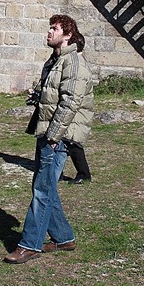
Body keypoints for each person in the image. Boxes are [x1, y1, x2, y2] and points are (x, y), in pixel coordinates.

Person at [4, 14, 94, 264]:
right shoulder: (55, 61)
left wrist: (54, 136)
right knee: (45, 186)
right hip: (48, 132)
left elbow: (71, 101)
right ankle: (64, 237)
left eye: (54, 29)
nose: (49, 32)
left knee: (42, 189)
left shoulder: (73, 62)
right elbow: (54, 95)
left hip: (59, 136)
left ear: (68, 35)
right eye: (50, 28)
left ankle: (29, 244)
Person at [63, 32, 92, 185]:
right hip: (77, 110)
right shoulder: (77, 61)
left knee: (74, 144)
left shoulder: (78, 63)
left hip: (77, 112)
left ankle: (84, 174)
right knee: (66, 142)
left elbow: (76, 94)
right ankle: (57, 171)